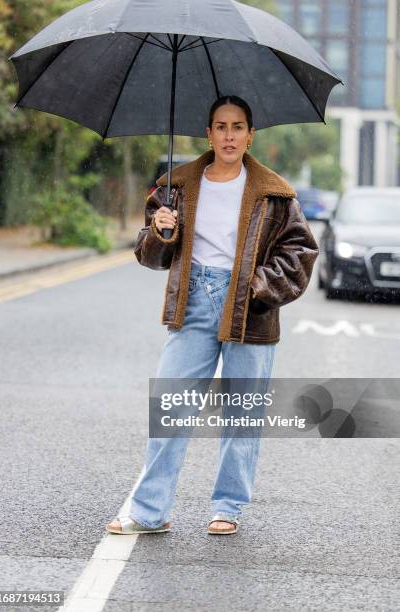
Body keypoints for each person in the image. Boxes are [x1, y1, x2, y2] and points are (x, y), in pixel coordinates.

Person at [106, 95, 319, 536]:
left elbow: (300, 252)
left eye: (237, 127)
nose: (228, 135)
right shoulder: (178, 185)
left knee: (241, 415)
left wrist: (259, 287)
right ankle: (150, 511)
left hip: (251, 310)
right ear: (208, 133)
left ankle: (228, 506)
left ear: (250, 135)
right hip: (192, 303)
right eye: (220, 126)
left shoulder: (275, 193)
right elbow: (151, 256)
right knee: (170, 405)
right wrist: (162, 234)